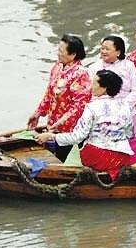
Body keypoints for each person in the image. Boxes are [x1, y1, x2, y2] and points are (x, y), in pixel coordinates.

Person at [36, 70, 134, 180]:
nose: (91, 86)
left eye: (94, 83)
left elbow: (77, 137)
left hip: (99, 158)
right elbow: (129, 133)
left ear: (104, 88)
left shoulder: (92, 107)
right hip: (123, 157)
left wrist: (51, 136)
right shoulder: (125, 105)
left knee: (82, 141)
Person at [27, 34, 91, 162]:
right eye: (58, 50)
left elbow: (78, 107)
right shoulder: (57, 67)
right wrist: (38, 112)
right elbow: (49, 93)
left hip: (70, 127)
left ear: (73, 55)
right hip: (54, 122)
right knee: (55, 155)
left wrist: (58, 124)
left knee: (72, 156)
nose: (58, 54)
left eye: (61, 51)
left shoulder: (80, 74)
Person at [88, 35, 136, 110]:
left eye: (107, 49)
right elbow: (90, 92)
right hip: (100, 108)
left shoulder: (128, 65)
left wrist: (122, 106)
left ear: (118, 52)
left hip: (125, 107)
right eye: (102, 48)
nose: (103, 51)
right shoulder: (93, 68)